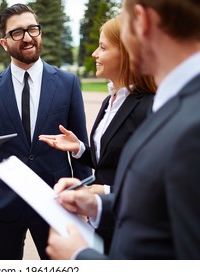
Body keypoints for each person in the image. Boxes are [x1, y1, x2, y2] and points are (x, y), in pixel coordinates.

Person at [46, 0, 200, 260]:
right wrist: (96, 204)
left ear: (142, 22)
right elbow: (157, 204)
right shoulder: (177, 104)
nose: (95, 53)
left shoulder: (190, 126)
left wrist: (81, 259)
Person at [0, 3, 91, 260]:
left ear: (40, 33)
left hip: (56, 205)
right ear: (4, 43)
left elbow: (79, 146)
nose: (27, 37)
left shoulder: (68, 83)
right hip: (3, 206)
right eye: (17, 33)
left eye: (32, 29)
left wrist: (82, 195)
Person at [40, 17, 156, 194]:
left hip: (127, 216)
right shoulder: (109, 101)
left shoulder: (149, 107)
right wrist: (79, 148)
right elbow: (106, 161)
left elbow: (154, 184)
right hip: (102, 217)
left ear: (126, 53)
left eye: (103, 47)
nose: (95, 54)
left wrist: (104, 192)